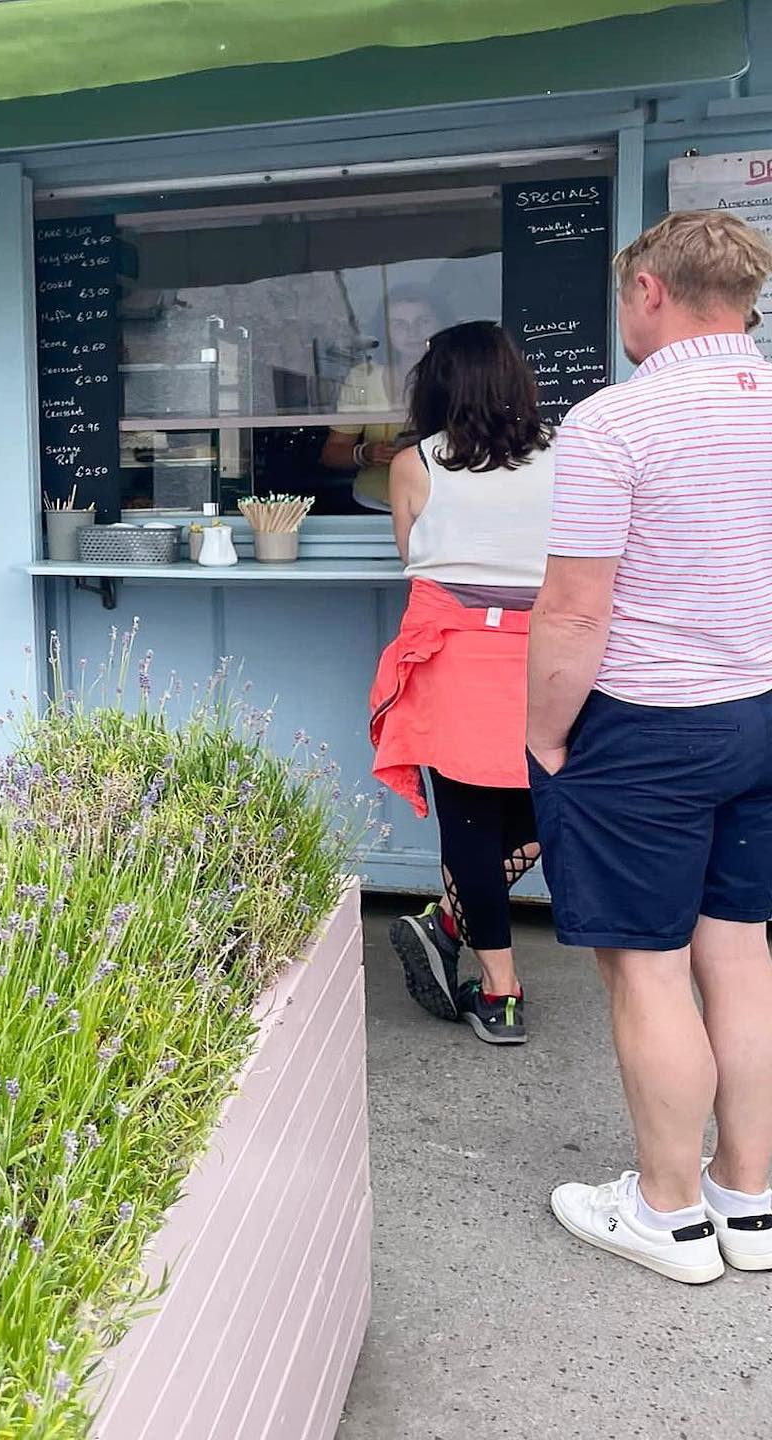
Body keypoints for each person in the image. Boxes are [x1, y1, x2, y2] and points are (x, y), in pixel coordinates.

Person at [528, 209, 772, 1285]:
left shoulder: (613, 424)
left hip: (647, 729)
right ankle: (749, 1203)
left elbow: (576, 612)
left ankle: (669, 1215)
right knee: (742, 952)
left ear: (651, 293)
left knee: (651, 970)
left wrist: (543, 736)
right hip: (759, 711)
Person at [369, 321, 555, 1045]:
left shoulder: (416, 463)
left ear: (438, 385)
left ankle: (493, 982)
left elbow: (411, 554)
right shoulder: (569, 455)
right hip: (551, 654)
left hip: (456, 659)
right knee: (547, 805)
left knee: (471, 826)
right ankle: (463, 933)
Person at [322, 286, 444, 512]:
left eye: (423, 321)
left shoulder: (462, 375)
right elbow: (333, 452)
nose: (413, 332)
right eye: (399, 324)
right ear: (384, 330)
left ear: (443, 325)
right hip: (373, 506)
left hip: (443, 507)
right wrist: (365, 454)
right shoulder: (363, 377)